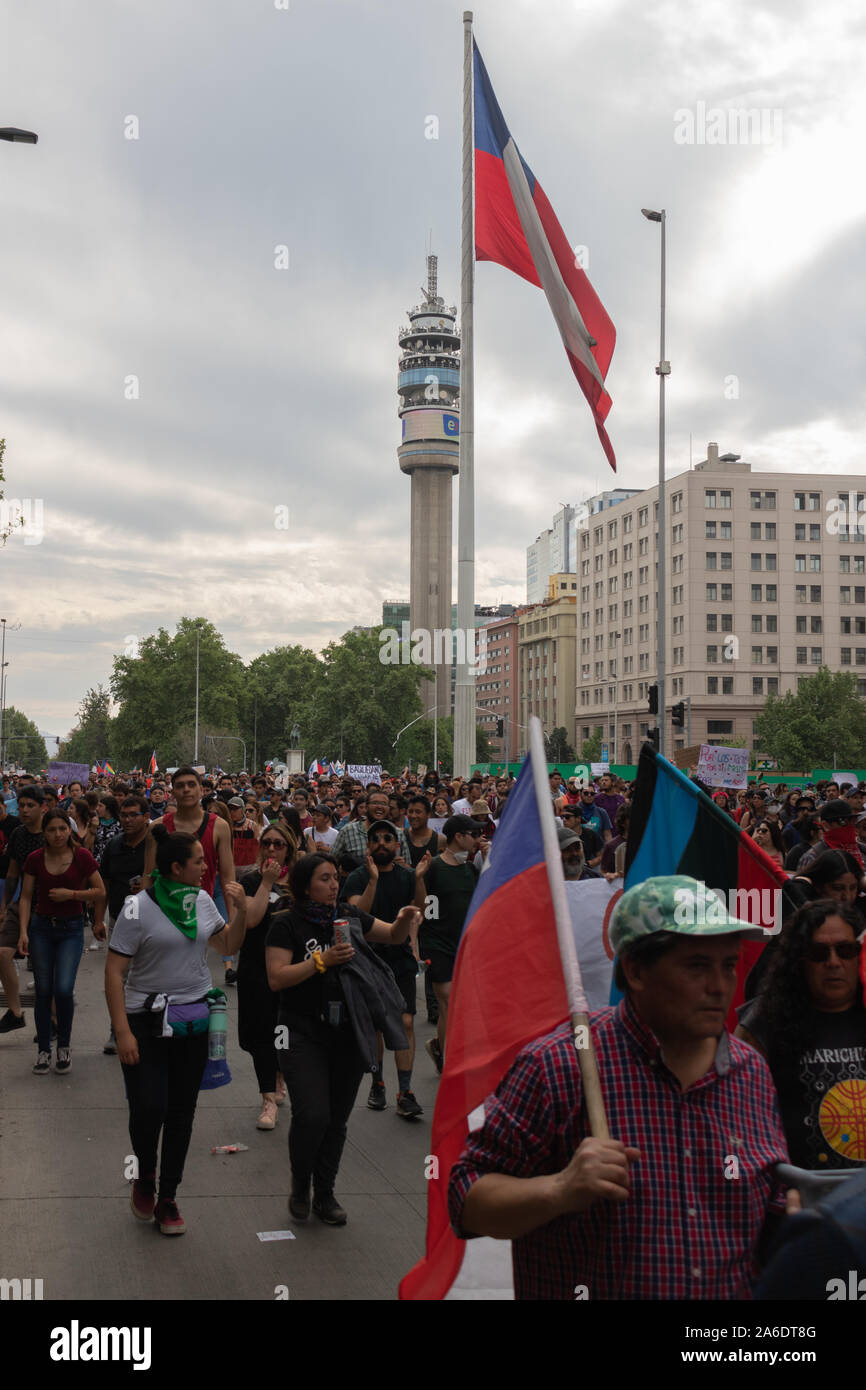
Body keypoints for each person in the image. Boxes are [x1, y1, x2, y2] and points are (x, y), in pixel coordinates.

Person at [448, 876, 790, 1299]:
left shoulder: (751, 1074)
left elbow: (773, 1212)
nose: (721, 986)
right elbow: (467, 1201)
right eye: (697, 966)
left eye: (728, 965)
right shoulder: (558, 1067)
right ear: (636, 970)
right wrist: (559, 1189)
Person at [105, 825, 248, 1235]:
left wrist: (239, 912)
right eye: (199, 861)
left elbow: (224, 945)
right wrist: (123, 1031)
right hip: (144, 1020)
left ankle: (168, 1197)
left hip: (194, 1017)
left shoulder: (202, 900)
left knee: (182, 1112)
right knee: (149, 1107)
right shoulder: (137, 908)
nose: (206, 868)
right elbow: (114, 973)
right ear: (176, 867)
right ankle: (145, 1176)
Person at [265, 852, 420, 1225]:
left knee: (336, 1119)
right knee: (312, 1114)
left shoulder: (349, 917)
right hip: (300, 1031)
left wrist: (404, 921)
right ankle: (301, 1184)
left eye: (336, 877)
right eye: (324, 878)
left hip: (349, 1031)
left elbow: (392, 936)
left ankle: (326, 1193)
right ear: (305, 886)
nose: (334, 884)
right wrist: (323, 961)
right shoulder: (285, 924)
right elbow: (277, 978)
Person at [736, 901, 866, 1170]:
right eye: (819, 953)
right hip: (796, 1201)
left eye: (845, 950)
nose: (833, 962)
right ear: (799, 960)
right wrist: (734, 1183)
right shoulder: (762, 1024)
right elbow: (732, 1126)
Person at [345, 820, 428, 1117]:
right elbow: (358, 913)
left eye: (387, 838)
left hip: (400, 956)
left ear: (396, 844)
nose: (382, 842)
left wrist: (419, 879)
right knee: (377, 1025)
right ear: (368, 846)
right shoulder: (357, 877)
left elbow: (418, 909)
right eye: (376, 839)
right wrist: (373, 881)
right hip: (367, 958)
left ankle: (405, 1091)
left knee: (405, 1021)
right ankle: (376, 1083)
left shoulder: (407, 876)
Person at [18, 809, 106, 1073]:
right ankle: (44, 1050)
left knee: (64, 989)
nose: (57, 834)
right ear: (44, 833)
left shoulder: (82, 856)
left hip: (71, 930)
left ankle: (64, 1045)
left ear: (70, 830)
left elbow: (100, 890)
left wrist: (73, 894)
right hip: (41, 929)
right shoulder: (35, 858)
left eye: (62, 829)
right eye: (51, 830)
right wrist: (23, 931)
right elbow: (25, 897)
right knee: (43, 991)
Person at [237, 821, 297, 1130]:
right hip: (255, 969)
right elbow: (251, 920)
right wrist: (266, 883)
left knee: (285, 1031)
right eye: (267, 843)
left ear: (289, 850)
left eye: (279, 844)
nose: (272, 849)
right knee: (261, 1035)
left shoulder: (300, 882)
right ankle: (268, 1099)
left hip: (290, 971)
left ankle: (279, 1076)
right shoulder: (249, 881)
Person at [416, 815, 484, 1073]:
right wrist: (419, 880)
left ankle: (440, 1047)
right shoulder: (432, 867)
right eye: (473, 834)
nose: (477, 839)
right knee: (448, 999)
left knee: (458, 1003)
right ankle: (451, 1061)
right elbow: (422, 908)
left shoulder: (471, 869)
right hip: (437, 943)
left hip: (464, 944)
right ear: (459, 836)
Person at [140, 767, 235, 902]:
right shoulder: (157, 827)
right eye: (180, 786)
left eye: (191, 784)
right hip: (165, 910)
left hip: (204, 909)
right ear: (172, 793)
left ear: (201, 791)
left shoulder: (220, 827)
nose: (186, 789)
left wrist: (233, 920)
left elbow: (228, 877)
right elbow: (148, 875)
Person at [0, 787, 47, 1035]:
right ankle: (15, 1012)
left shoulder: (54, 832)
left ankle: (50, 1019)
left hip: (48, 908)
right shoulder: (17, 834)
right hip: (20, 905)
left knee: (42, 967)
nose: (25, 810)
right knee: (2, 952)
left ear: (43, 807)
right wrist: (5, 906)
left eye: (30, 805)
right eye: (22, 805)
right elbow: (12, 873)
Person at [333, 786, 411, 864]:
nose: (379, 807)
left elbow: (408, 867)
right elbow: (332, 861)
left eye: (384, 804)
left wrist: (401, 865)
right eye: (375, 803)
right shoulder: (347, 831)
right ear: (366, 807)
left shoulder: (398, 833)